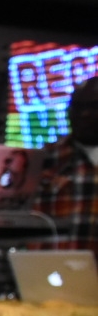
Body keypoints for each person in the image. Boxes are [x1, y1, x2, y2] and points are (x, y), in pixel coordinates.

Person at [32, 75, 98, 252]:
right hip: (46, 272)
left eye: (94, 107)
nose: (85, 114)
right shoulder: (44, 159)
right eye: (77, 107)